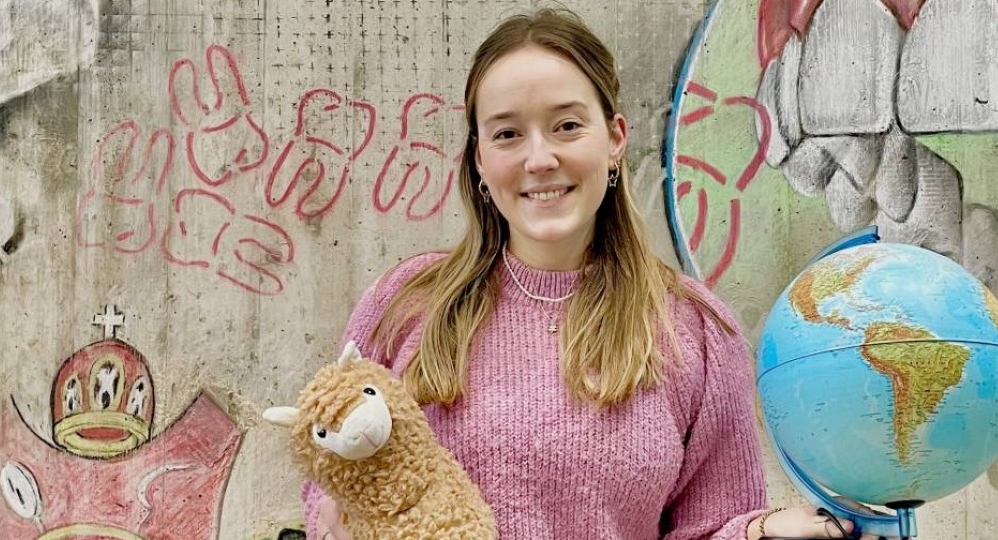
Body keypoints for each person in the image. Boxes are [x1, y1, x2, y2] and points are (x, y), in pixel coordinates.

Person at [303, 8, 892, 539]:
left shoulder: (697, 331)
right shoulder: (404, 306)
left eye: (566, 126)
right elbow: (331, 477)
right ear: (480, 159)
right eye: (508, 134)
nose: (539, 158)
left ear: (614, 139)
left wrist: (761, 532)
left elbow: (708, 527)